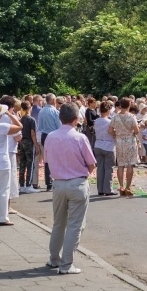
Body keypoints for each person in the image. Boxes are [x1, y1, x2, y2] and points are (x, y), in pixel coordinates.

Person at [45, 103, 96, 275]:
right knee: (75, 225)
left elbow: (47, 160)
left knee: (58, 223)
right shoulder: (80, 138)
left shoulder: (50, 137)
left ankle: (54, 259)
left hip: (58, 183)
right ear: (76, 119)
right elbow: (91, 163)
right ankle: (66, 264)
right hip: (77, 183)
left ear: (60, 118)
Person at [109, 98, 139, 196]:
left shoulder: (115, 117)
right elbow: (137, 130)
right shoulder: (132, 117)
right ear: (129, 105)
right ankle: (128, 187)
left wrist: (116, 134)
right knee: (130, 164)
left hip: (119, 141)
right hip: (130, 141)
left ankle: (121, 186)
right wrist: (132, 133)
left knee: (120, 165)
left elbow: (110, 130)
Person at [38, 94, 62, 191]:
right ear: (52, 100)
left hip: (44, 135)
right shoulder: (55, 112)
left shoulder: (41, 111)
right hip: (53, 135)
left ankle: (49, 182)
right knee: (56, 158)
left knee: (47, 159)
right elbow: (59, 126)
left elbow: (39, 126)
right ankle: (56, 180)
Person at [18, 101, 42, 194]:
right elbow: (33, 134)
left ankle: (21, 185)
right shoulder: (31, 120)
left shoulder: (21, 119)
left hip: (22, 141)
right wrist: (36, 145)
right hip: (29, 142)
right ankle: (28, 184)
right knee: (30, 163)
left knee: (22, 164)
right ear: (29, 108)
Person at [93, 101, 117, 196]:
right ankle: (108, 189)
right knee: (109, 168)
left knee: (100, 168)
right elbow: (112, 132)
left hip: (98, 144)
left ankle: (100, 189)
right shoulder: (110, 121)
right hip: (109, 145)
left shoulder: (96, 121)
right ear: (108, 110)